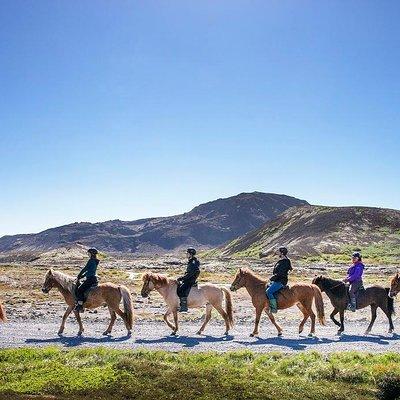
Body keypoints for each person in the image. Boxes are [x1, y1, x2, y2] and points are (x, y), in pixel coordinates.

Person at [266, 246, 292, 313]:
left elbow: (280, 273)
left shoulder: (285, 262)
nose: (277, 253)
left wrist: (271, 279)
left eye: (278, 251)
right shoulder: (282, 261)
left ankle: (274, 308)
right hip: (277, 279)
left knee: (269, 292)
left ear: (282, 253)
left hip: (281, 281)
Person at [74, 248, 100, 312]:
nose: (88, 254)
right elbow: (89, 271)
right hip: (93, 278)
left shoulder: (91, 260)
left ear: (92, 254)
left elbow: (85, 269)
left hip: (90, 279)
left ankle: (80, 306)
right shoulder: (95, 261)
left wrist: (79, 275)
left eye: (89, 253)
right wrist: (83, 276)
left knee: (79, 290)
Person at [177, 248, 200, 312]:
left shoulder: (193, 262)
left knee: (182, 289)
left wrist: (182, 278)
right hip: (188, 278)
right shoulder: (191, 261)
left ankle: (184, 307)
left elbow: (190, 273)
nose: (186, 254)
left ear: (191, 254)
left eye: (187, 253)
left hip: (190, 280)